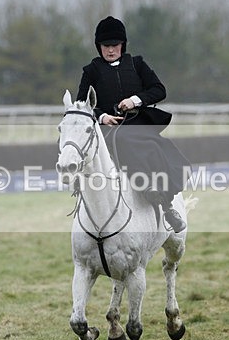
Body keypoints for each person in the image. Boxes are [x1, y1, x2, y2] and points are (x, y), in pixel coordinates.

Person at [76, 16, 190, 232]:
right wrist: (101, 117)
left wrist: (134, 100)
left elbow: (159, 89)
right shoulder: (91, 71)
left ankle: (167, 207)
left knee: (160, 148)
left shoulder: (136, 64)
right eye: (105, 46)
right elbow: (81, 104)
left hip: (138, 123)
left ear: (122, 45)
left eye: (115, 45)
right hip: (107, 130)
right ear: (99, 47)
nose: (110, 50)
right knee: (115, 140)